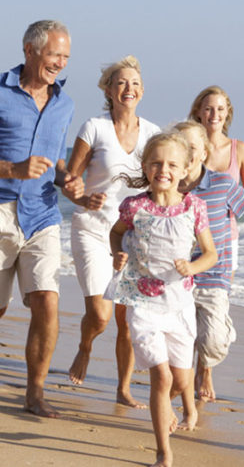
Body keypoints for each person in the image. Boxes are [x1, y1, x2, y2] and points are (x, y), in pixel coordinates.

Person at [106, 131, 217, 467]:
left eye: (172, 164)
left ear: (185, 170)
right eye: (156, 163)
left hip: (179, 305)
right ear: (145, 166)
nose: (163, 169)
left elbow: (211, 254)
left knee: (182, 380)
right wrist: (117, 254)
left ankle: (169, 406)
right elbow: (116, 232)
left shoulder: (194, 207)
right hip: (143, 303)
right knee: (162, 376)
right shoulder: (134, 206)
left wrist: (192, 265)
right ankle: (163, 452)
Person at [66, 55, 161, 408]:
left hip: (132, 237)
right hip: (91, 229)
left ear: (142, 90)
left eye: (134, 83)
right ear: (108, 89)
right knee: (101, 317)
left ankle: (123, 389)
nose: (128, 89)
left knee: (127, 320)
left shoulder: (152, 133)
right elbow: (70, 180)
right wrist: (82, 195)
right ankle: (85, 346)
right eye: (121, 83)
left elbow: (168, 175)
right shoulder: (94, 127)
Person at [0, 20, 84, 418]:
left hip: (44, 213)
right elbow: (20, 164)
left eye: (66, 57)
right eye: (55, 55)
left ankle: (35, 393)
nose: (60, 64)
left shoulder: (64, 103)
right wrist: (13, 169)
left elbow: (58, 160)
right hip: (1, 210)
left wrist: (71, 183)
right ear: (29, 50)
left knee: (47, 301)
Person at [173, 121, 244, 428]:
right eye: (180, 147)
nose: (186, 154)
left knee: (213, 341)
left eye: (192, 148)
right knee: (183, 338)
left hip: (216, 274)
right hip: (178, 277)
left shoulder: (220, 183)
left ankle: (221, 335)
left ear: (204, 152)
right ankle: (182, 398)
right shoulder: (169, 185)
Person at [188, 86, 244, 274]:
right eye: (208, 108)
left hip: (226, 237)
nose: (215, 114)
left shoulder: (239, 150)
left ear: (227, 112)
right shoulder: (187, 146)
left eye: (220, 109)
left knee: (220, 298)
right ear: (198, 112)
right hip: (187, 235)